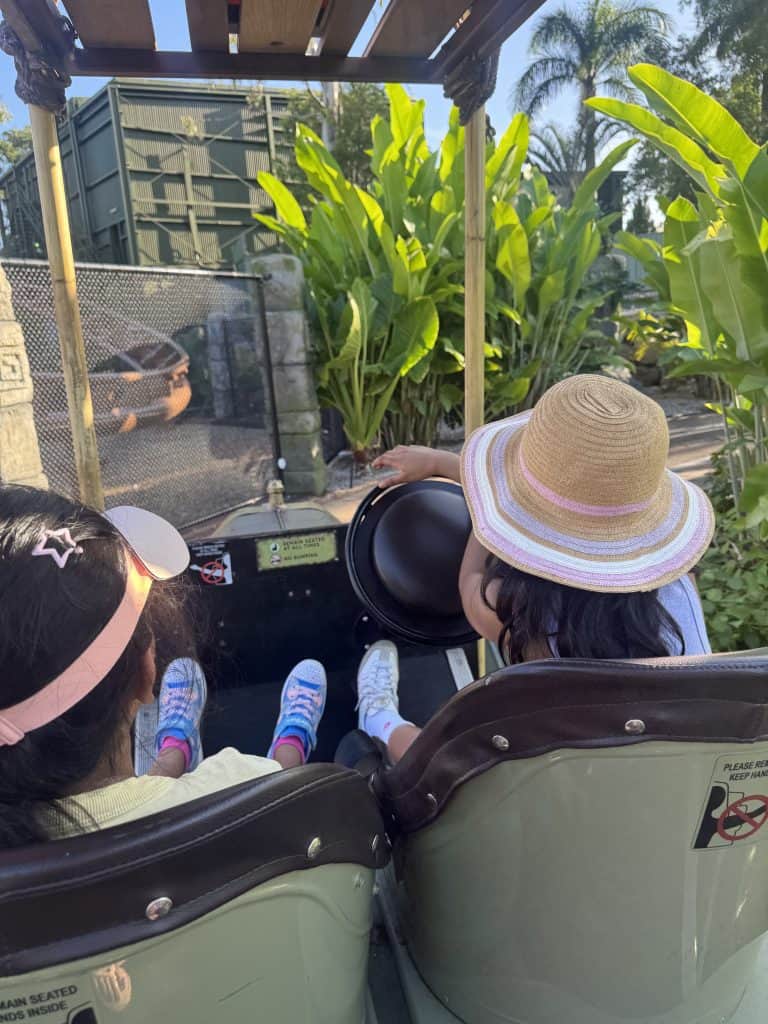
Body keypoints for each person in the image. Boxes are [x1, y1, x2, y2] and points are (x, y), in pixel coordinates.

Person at [355, 374, 715, 764]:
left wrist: (484, 503)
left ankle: (380, 719)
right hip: (671, 765)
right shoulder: (677, 591)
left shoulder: (518, 611)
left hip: (555, 771)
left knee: (442, 757)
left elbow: (468, 583)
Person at [0, 486, 326, 849]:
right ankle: (291, 742)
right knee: (283, 775)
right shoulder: (238, 787)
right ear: (145, 673)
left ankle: (174, 751)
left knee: (163, 772)